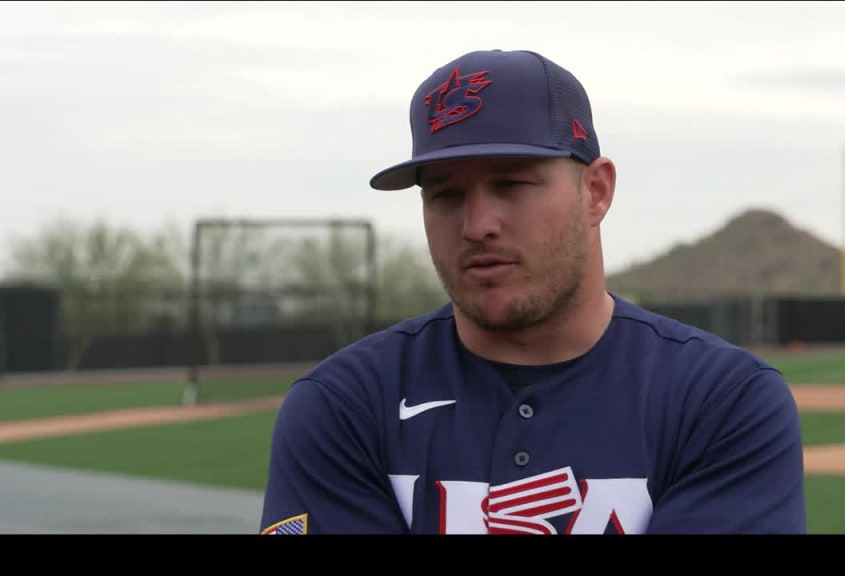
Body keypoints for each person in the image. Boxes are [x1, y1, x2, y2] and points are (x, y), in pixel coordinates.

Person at [259, 49, 806, 535]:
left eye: (511, 184)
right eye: (445, 195)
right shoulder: (344, 405)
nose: (477, 224)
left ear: (596, 192)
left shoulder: (721, 401)